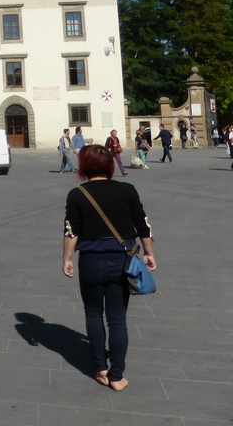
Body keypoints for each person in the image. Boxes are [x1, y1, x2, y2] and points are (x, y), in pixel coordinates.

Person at [63, 144, 156, 392]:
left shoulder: (77, 194)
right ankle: (116, 376)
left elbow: (71, 230)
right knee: (117, 320)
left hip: (91, 262)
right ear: (110, 165)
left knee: (93, 314)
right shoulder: (127, 190)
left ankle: (100, 369)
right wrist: (149, 253)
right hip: (121, 261)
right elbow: (143, 225)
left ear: (83, 167)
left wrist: (67, 259)